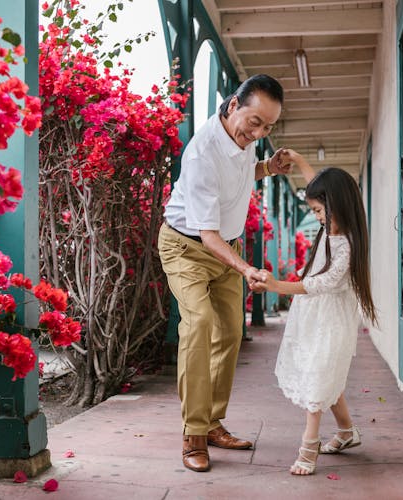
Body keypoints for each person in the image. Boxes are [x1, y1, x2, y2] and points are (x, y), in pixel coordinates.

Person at [157, 74, 291, 472]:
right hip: (186, 248)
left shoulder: (244, 137)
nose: (259, 132)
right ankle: (193, 435)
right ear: (234, 105)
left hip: (224, 250)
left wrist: (269, 166)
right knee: (197, 324)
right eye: (255, 123)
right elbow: (207, 235)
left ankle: (213, 423)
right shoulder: (201, 152)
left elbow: (242, 174)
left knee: (231, 332)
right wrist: (246, 267)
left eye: (268, 127)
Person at [251, 151, 378, 476]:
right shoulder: (331, 226)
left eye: (319, 211)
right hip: (314, 318)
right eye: (314, 210)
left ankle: (308, 448)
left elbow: (320, 285)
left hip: (331, 322)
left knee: (318, 379)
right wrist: (298, 158)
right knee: (324, 376)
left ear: (336, 206)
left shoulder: (346, 243)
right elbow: (317, 187)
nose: (317, 216)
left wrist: (277, 286)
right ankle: (347, 433)